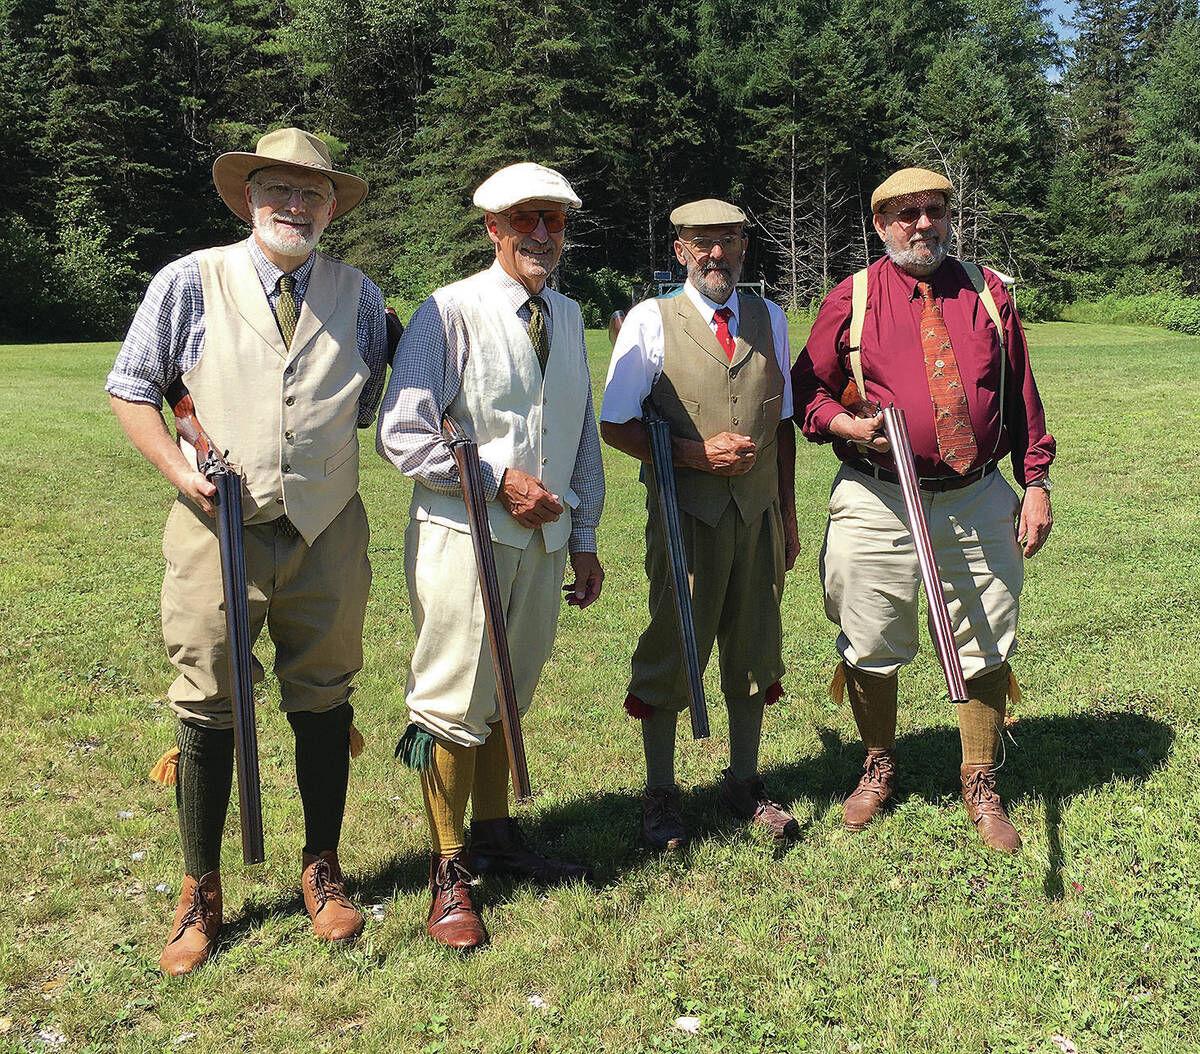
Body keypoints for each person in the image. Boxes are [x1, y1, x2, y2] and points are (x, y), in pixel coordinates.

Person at [106, 128, 391, 974]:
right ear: (248, 199)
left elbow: (372, 401)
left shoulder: (364, 297)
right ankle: (200, 888)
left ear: (332, 206)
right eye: (277, 190)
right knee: (206, 701)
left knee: (324, 691)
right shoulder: (189, 281)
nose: (294, 206)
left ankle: (323, 868)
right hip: (212, 529)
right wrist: (179, 471)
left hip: (327, 527)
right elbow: (131, 386)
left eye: (311, 193)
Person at [792, 167, 1055, 851]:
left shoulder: (988, 293)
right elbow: (806, 390)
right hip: (878, 494)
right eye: (905, 215)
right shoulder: (853, 296)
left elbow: (1020, 390)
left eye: (933, 211)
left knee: (988, 633)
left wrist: (1036, 481)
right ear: (880, 226)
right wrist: (844, 427)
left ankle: (979, 776)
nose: (922, 225)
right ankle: (878, 762)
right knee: (870, 633)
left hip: (975, 492)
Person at [377, 161, 605, 950]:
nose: (543, 234)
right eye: (526, 220)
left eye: (555, 220)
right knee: (452, 699)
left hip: (542, 542)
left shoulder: (572, 316)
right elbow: (402, 432)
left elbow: (579, 439)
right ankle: (447, 870)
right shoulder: (449, 312)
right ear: (493, 228)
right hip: (462, 537)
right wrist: (495, 480)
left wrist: (582, 538)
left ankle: (497, 835)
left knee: (513, 690)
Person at [600, 198, 801, 852]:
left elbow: (783, 426)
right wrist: (690, 454)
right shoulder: (649, 322)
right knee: (672, 647)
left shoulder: (770, 317)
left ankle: (743, 782)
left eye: (730, 240)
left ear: (745, 246)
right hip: (685, 516)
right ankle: (661, 793)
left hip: (757, 516)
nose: (718, 254)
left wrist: (788, 514)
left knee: (753, 645)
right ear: (681, 249)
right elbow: (616, 423)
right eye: (702, 242)